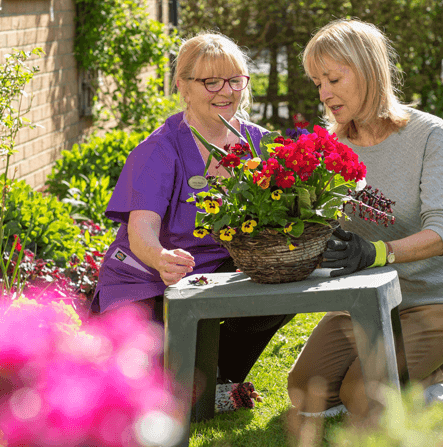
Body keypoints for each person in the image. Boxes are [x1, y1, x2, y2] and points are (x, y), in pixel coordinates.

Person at [91, 32, 292, 412]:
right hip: (146, 277)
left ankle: (221, 378)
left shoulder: (259, 144)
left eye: (235, 80)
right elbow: (141, 230)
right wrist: (161, 257)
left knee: (278, 281)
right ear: (183, 86)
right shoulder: (158, 150)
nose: (225, 92)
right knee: (150, 398)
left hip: (213, 274)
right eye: (211, 81)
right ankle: (194, 381)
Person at [287, 19, 443, 418]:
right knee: (305, 392)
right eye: (318, 82)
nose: (324, 93)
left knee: (362, 398)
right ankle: (417, 364)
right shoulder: (331, 146)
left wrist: (376, 252)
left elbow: (440, 232)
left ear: (369, 71)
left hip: (432, 299)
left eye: (333, 78)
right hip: (365, 302)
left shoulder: (427, 133)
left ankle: (435, 369)